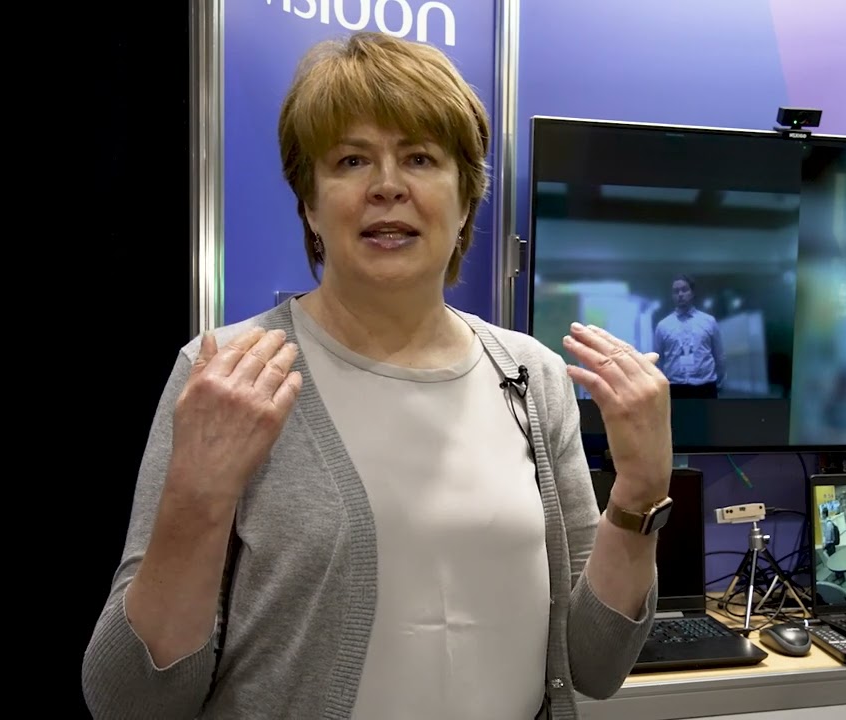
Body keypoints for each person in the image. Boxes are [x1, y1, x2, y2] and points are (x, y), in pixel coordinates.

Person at [81, 32, 673, 720]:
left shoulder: (532, 377)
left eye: (420, 158)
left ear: (465, 199)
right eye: (351, 160)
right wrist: (197, 500)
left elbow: (596, 665)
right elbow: (129, 702)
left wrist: (641, 490)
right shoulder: (225, 374)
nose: (387, 186)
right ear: (310, 203)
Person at [653, 274, 725, 399]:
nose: (680, 294)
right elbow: (658, 360)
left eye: (684, 290)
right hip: (675, 388)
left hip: (705, 387)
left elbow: (719, 356)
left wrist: (719, 383)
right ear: (672, 296)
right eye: (676, 291)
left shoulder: (709, 322)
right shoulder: (663, 326)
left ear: (692, 293)